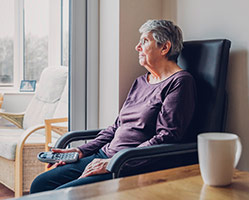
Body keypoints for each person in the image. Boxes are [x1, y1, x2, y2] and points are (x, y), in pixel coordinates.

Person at [30, 19, 197, 193]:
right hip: (105, 155)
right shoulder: (141, 81)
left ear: (164, 48)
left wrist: (114, 162)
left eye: (145, 41)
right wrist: (81, 150)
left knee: (64, 194)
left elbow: (167, 136)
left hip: (131, 164)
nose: (137, 47)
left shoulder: (180, 82)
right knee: (40, 184)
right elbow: (117, 127)